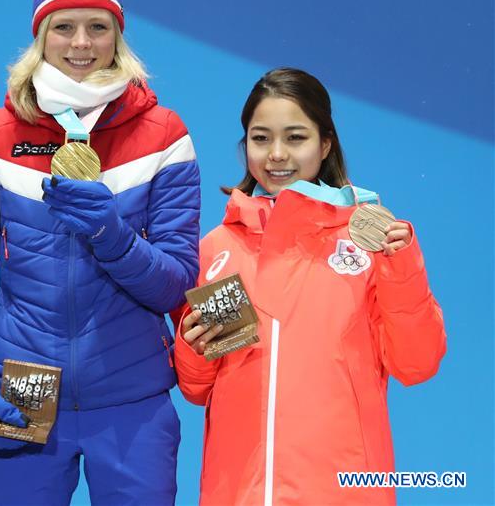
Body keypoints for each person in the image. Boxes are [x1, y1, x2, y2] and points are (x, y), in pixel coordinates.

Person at [0, 0, 201, 505]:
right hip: (24, 396)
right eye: (64, 27)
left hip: (133, 402)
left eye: (97, 26)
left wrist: (112, 236)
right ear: (40, 35)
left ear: (118, 34)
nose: (81, 44)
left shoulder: (164, 136)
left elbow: (177, 282)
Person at [175, 67, 446, 505]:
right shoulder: (218, 248)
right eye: (261, 138)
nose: (276, 154)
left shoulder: (371, 243)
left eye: (295, 137)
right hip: (236, 491)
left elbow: (417, 364)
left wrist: (403, 267)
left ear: (325, 144)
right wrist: (193, 347)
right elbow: (198, 390)